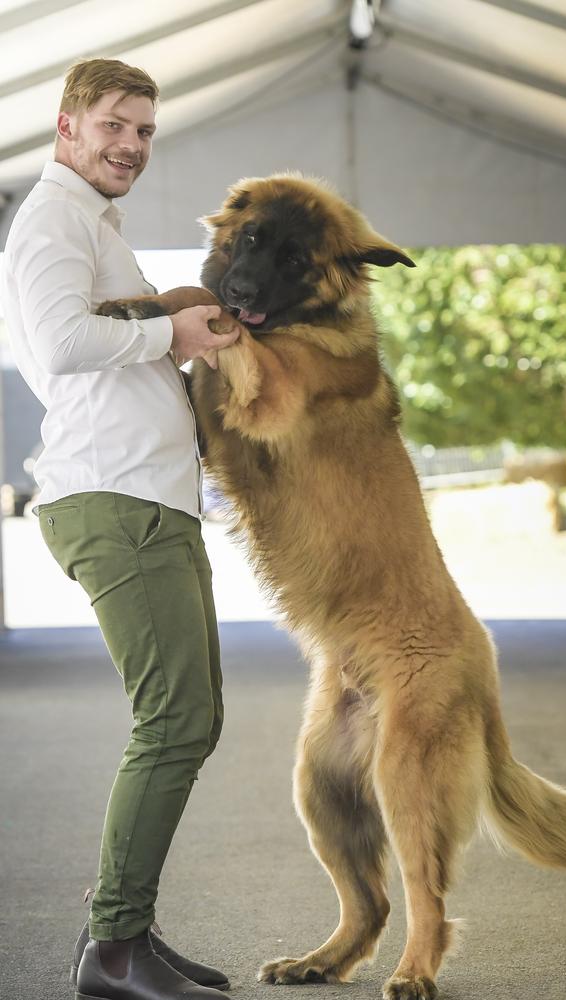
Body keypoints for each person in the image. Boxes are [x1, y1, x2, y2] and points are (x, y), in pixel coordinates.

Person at [1, 58, 240, 1000]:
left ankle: (129, 935)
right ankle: (111, 949)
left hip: (150, 498)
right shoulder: (55, 219)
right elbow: (61, 345)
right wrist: (172, 335)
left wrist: (177, 327)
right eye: (114, 125)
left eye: (144, 130)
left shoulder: (94, 226)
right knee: (175, 719)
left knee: (195, 716)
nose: (132, 145)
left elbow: (108, 345)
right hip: (114, 501)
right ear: (68, 126)